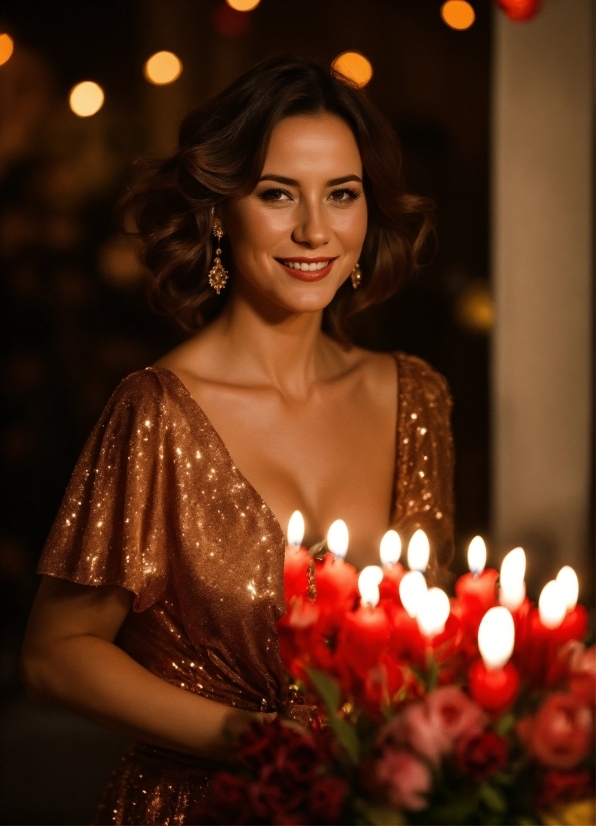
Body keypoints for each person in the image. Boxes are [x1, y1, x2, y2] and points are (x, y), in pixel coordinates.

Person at [21, 54, 455, 825]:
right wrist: (251, 739)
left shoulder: (414, 396)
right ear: (222, 211)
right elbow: (55, 657)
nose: (316, 229)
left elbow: (429, 641)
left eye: (342, 195)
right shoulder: (156, 411)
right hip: (200, 806)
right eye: (277, 193)